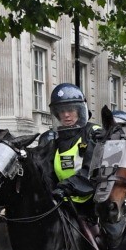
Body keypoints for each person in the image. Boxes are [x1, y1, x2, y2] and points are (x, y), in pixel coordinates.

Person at [41, 83, 106, 221]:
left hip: (93, 203)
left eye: (70, 110)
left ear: (79, 110)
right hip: (61, 200)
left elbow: (91, 172)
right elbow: (45, 171)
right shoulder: (52, 138)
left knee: (112, 236)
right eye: (61, 110)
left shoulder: (93, 133)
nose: (66, 115)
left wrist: (65, 187)